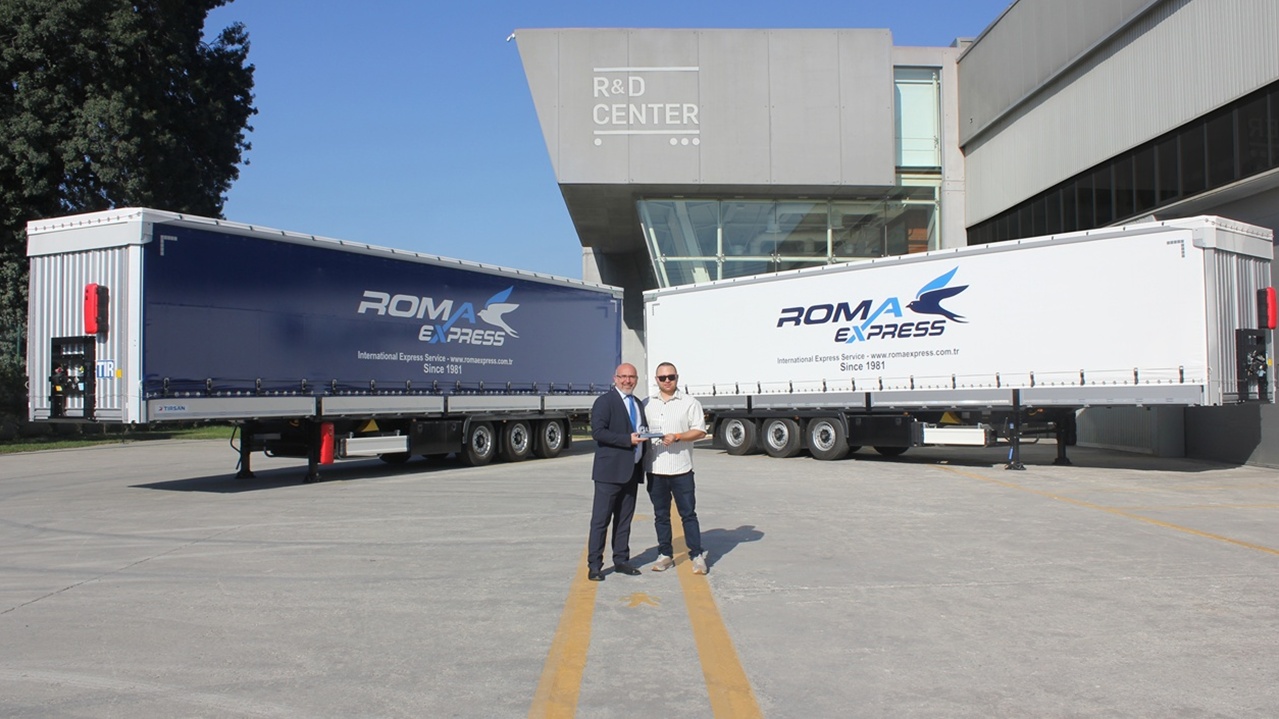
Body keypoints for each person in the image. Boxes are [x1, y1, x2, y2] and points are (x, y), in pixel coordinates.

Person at [642, 362, 709, 575]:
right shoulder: (646, 404)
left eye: (671, 377)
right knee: (661, 515)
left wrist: (678, 436)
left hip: (681, 469)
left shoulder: (690, 403)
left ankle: (696, 555)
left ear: (677, 378)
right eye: (662, 378)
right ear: (656, 380)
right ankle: (665, 554)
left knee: (688, 514)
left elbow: (700, 431)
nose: (667, 381)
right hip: (655, 470)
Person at [585, 362, 649, 581]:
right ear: (615, 379)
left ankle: (621, 560)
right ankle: (595, 565)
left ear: (636, 380)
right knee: (601, 520)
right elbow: (598, 432)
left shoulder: (638, 403)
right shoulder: (605, 402)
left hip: (631, 471)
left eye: (631, 377)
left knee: (624, 520)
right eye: (623, 377)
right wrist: (626, 440)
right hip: (609, 473)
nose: (627, 381)